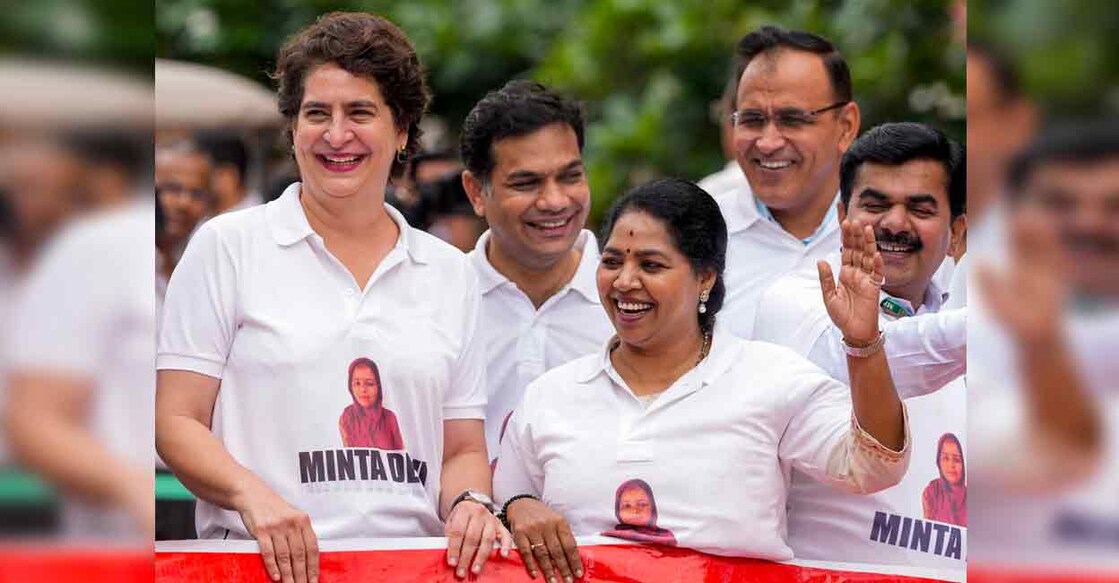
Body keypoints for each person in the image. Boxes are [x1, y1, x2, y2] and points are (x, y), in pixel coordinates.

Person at [155, 13, 509, 583]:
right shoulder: (228, 245)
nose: (336, 134)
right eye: (316, 113)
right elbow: (174, 419)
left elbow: (461, 448)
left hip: (411, 569)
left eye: (361, 113)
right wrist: (253, 497)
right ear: (292, 129)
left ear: (401, 133)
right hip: (257, 566)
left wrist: (470, 501)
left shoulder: (449, 272)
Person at [494, 178, 908, 580]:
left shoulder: (769, 377)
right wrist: (517, 505)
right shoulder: (551, 395)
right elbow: (501, 512)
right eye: (613, 261)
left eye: (651, 265)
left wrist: (862, 341)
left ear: (705, 277)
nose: (624, 282)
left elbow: (874, 466)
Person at [753, 122, 967, 567]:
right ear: (841, 217)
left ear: (959, 233)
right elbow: (890, 359)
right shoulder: (796, 303)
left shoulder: (955, 320)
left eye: (921, 208)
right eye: (875, 204)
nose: (894, 223)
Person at [460, 80, 613, 461]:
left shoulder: (633, 301)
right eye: (526, 183)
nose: (555, 201)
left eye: (570, 176)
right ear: (476, 193)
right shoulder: (438, 301)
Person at [713, 26, 860, 339]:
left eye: (792, 120)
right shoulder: (695, 236)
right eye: (752, 120)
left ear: (846, 126)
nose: (768, 143)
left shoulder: (893, 233)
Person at [338, 358, 404, 450]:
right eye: (357, 383)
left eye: (369, 384)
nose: (363, 390)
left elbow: (402, 455)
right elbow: (350, 456)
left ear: (378, 386)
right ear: (350, 386)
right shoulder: (347, 417)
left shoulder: (390, 418)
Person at [196, 130, 263, 215]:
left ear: (231, 175)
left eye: (210, 174)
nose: (205, 180)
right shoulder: (205, 209)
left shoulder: (253, 215)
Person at [600, 478, 676, 546]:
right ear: (617, 510)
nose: (635, 511)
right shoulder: (606, 540)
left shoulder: (667, 539)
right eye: (627, 506)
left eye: (642, 504)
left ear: (653, 508)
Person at [923, 433, 966, 527]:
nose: (951, 465)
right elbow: (928, 530)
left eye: (957, 459)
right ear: (939, 461)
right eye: (945, 458)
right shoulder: (932, 492)